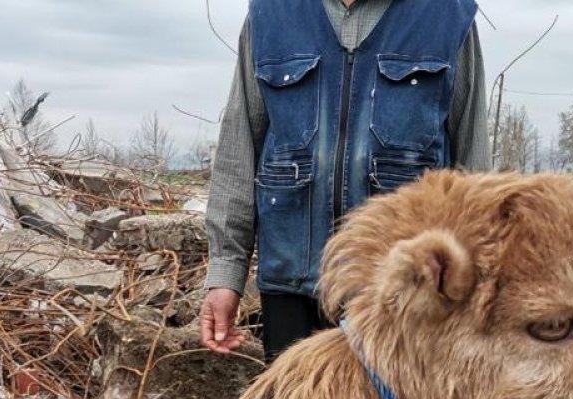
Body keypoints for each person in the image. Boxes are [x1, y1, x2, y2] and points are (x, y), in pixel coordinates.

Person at [202, 0, 490, 360]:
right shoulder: (271, 14)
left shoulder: (446, 15)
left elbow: (474, 174)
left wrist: (479, 288)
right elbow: (239, 146)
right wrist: (226, 274)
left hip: (405, 294)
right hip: (292, 288)